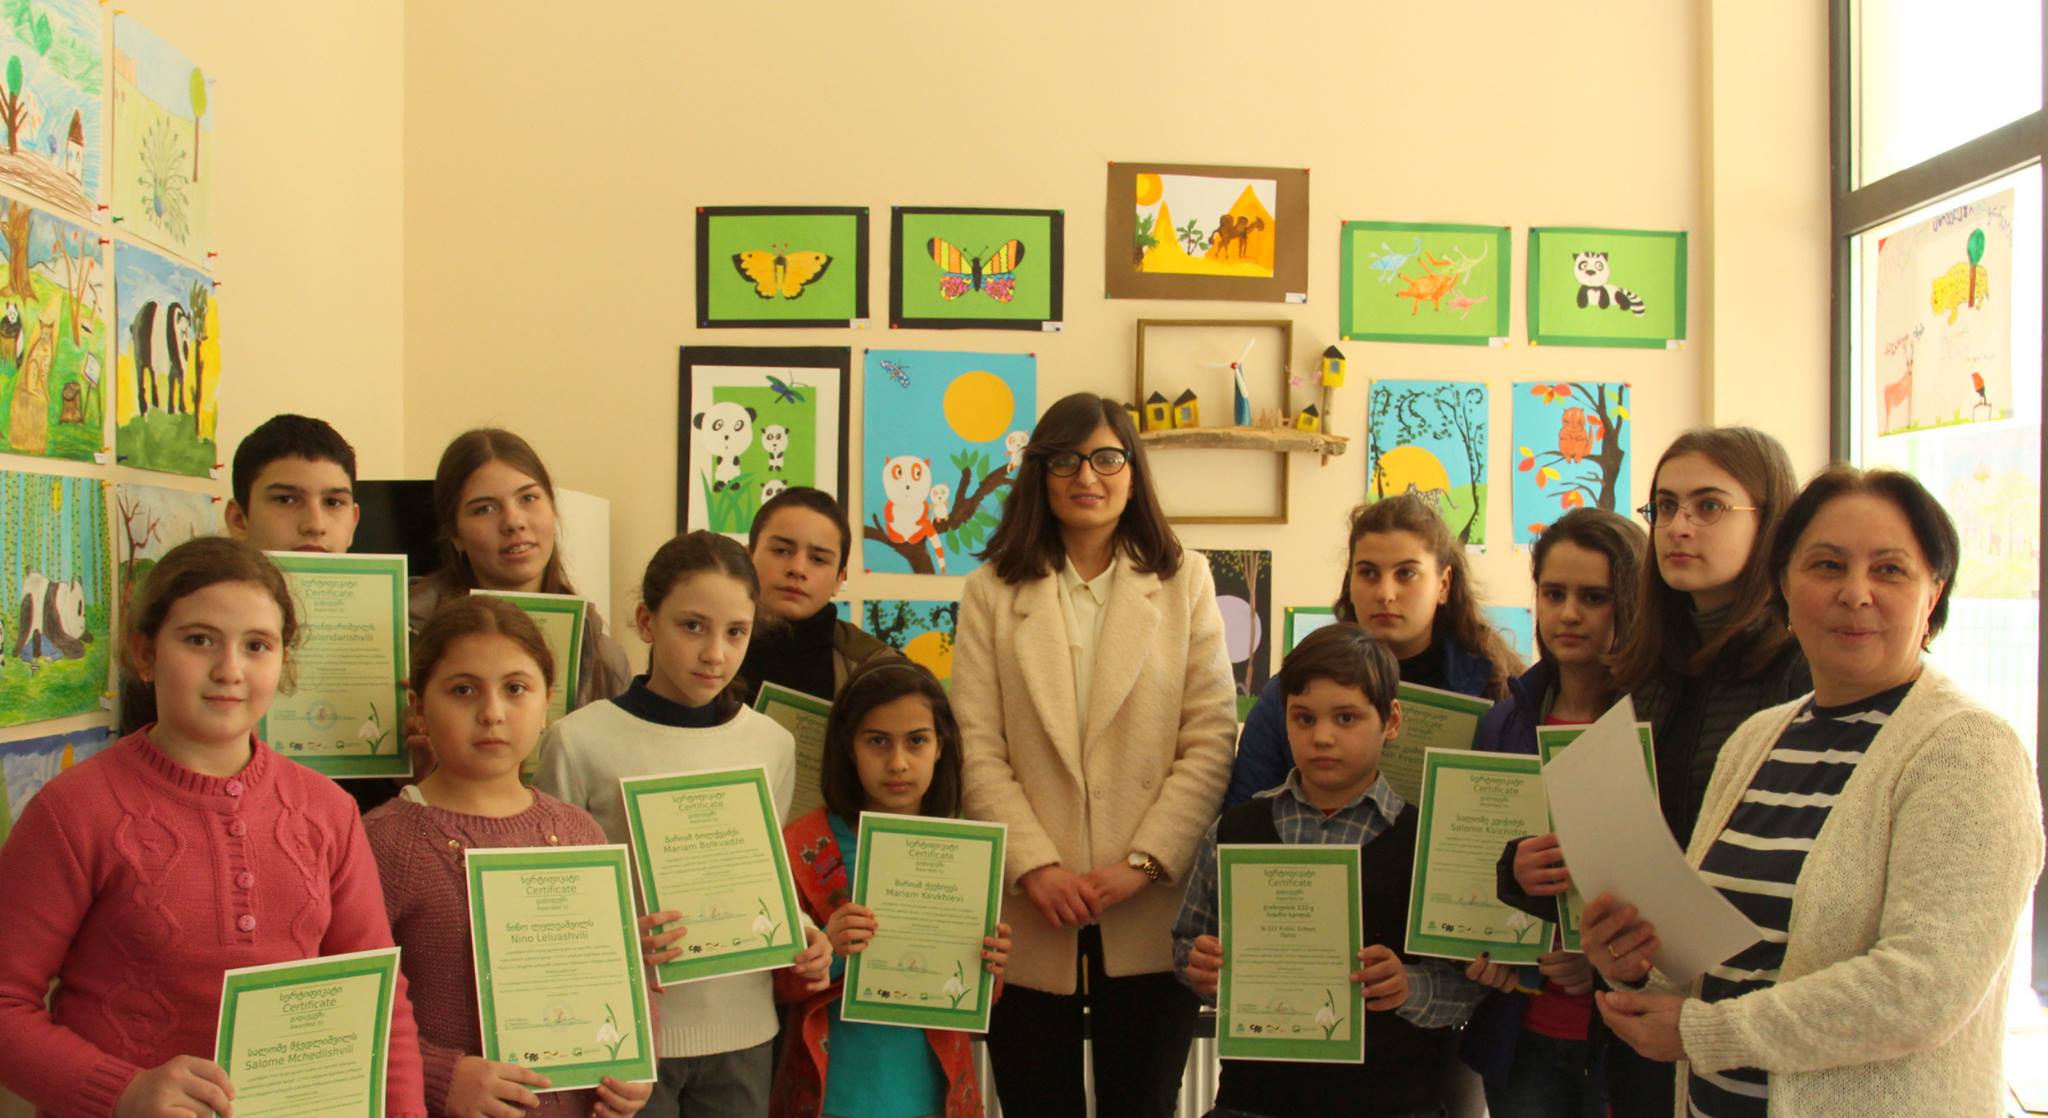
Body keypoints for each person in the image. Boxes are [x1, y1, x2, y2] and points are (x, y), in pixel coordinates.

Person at [1584, 466, 2043, 1115]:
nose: (1855, 593)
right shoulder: (1756, 739)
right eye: (1827, 566)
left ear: (1932, 595)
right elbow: (1719, 967)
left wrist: (1709, 1033)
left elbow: (1923, 988)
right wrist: (1634, 966)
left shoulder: (1967, 750)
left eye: (1889, 570)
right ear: (1784, 586)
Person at [0, 536, 428, 1117]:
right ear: (145, 654)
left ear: (283, 663)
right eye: (199, 639)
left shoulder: (328, 810)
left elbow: (380, 1004)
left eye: (257, 645)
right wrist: (122, 1091)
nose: (229, 670)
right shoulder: (72, 810)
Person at [952, 393, 1238, 1118]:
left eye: (1108, 458)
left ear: (1133, 472)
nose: (1088, 476)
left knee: (1143, 1104)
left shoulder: (1185, 581)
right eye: (1067, 460)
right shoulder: (990, 591)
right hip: (1028, 909)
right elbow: (975, 748)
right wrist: (1034, 866)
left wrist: (1143, 864)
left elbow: (1210, 740)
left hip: (1149, 906)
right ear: (1040, 474)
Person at [1530, 427, 1809, 1115]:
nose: (1679, 527)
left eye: (1708, 506)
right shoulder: (1645, 670)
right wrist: (1530, 872)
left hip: (1761, 1019)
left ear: (1770, 521)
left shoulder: (1799, 669)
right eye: (1665, 507)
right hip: (1646, 1004)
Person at [536, 531, 832, 1118]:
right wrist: (620, 935)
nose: (714, 653)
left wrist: (802, 932)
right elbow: (553, 898)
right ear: (647, 622)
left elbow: (762, 874)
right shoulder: (579, 741)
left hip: (745, 1030)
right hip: (630, 1037)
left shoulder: (771, 744)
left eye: (736, 632)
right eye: (692, 626)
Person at [1174, 624, 1512, 1118]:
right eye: (1304, 718)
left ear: (1390, 721)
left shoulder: (1428, 843)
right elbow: (1187, 940)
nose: (1323, 737)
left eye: (1347, 717)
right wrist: (1197, 964)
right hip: (1255, 1100)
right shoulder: (1235, 831)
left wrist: (1409, 985)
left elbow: (1468, 986)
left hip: (1393, 1103)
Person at [366, 595, 653, 1118]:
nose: (492, 713)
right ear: (418, 706)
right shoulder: (385, 843)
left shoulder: (578, 832)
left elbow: (622, 976)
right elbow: (352, 1014)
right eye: (463, 690)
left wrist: (634, 1065)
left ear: (547, 705)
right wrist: (439, 1076)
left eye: (516, 688)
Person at [1461, 509, 1647, 1117]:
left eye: (1594, 597)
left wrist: (1603, 966)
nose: (1568, 614)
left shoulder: (1654, 722)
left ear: (1632, 602)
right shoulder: (1505, 721)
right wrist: (1482, 948)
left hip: (1624, 1037)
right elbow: (1472, 864)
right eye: (1553, 593)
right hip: (1522, 1033)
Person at [772, 660, 1012, 1118]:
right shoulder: (803, 845)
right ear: (849, 746)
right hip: (830, 1096)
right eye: (878, 741)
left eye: (916, 741)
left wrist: (989, 965)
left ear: (941, 746)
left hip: (935, 1096)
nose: (898, 763)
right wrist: (827, 948)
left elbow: (972, 995)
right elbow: (774, 983)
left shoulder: (965, 850)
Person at [1226, 493, 1521, 809]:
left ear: (1444, 585)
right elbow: (1243, 821)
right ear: (1350, 582)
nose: (1385, 593)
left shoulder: (1496, 693)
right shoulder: (1287, 694)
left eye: (1406, 574)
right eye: (1368, 573)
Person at [119, 413, 365, 737]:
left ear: (354, 522)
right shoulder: (182, 615)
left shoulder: (389, 635)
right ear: (238, 519)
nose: (315, 524)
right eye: (286, 499)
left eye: (333, 502)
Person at [413, 427, 631, 716]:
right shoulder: (407, 638)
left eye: (528, 498)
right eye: (485, 509)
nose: (513, 522)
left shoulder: (605, 659)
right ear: (455, 535)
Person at [739, 486, 900, 703]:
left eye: (818, 559)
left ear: (839, 579)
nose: (797, 569)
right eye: (781, 550)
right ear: (748, 556)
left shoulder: (876, 669)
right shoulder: (704, 642)